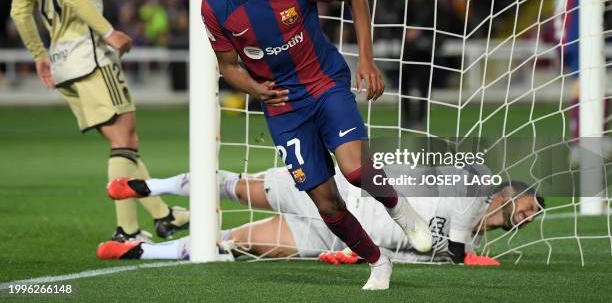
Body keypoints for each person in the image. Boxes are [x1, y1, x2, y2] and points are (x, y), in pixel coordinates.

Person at [198, 0, 432, 290]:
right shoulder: (214, 5)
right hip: (282, 107)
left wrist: (367, 61)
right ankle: (378, 262)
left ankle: (399, 210)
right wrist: (256, 91)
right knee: (326, 204)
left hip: (324, 84)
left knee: (356, 171)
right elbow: (228, 67)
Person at [10, 0, 189, 242]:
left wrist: (39, 54)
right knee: (126, 138)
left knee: (122, 143)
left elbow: (20, 12)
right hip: (88, 53)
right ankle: (127, 230)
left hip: (62, 61)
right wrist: (110, 32)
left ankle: (164, 216)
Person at [98, 167, 544, 266]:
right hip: (331, 190)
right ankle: (150, 187)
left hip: (338, 239)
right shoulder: (463, 188)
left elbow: (412, 257)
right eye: (530, 204)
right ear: (509, 192)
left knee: (238, 240)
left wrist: (361, 258)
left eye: (534, 215)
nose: (529, 215)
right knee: (239, 188)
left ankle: (140, 250)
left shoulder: (468, 245)